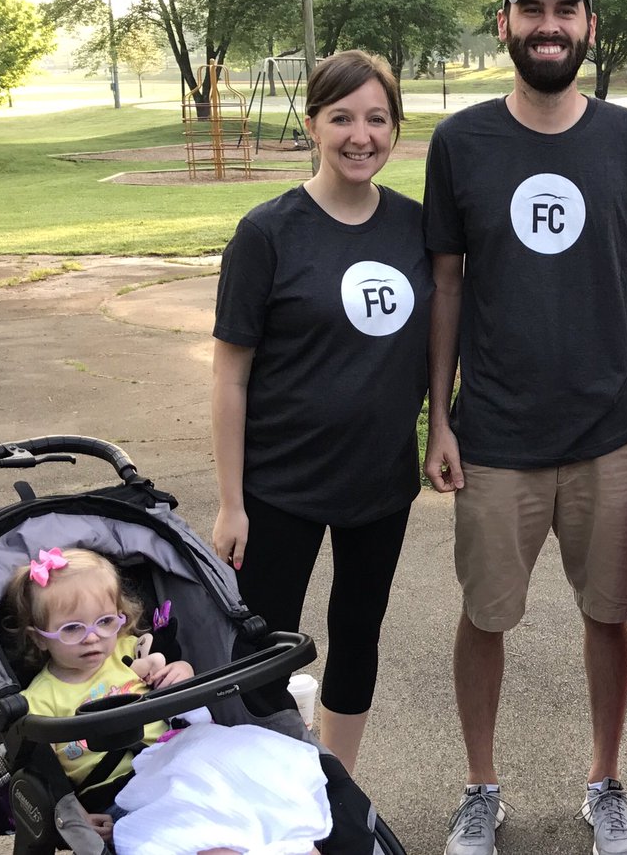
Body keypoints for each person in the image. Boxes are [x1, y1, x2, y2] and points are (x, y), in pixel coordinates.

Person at [422, 0, 627, 855]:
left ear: (589, 26)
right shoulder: (461, 142)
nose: (548, 26)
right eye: (530, 10)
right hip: (494, 437)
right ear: (504, 24)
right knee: (485, 616)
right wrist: (440, 416)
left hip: (605, 434)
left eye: (564, 10)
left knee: (609, 615)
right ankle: (480, 789)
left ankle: (603, 783)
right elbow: (447, 286)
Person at [211, 49, 431, 773]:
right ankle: (267, 792)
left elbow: (440, 339)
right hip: (280, 487)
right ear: (311, 125)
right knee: (261, 649)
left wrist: (441, 427)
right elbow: (231, 374)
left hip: (380, 482)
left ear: (395, 129)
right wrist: (231, 502)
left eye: (377, 119)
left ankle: (336, 786)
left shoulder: (415, 228)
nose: (360, 136)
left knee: (358, 635)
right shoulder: (267, 233)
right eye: (341, 118)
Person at [7, 547, 331, 853]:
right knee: (209, 838)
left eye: (105, 622)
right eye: (72, 629)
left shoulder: (130, 651)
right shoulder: (37, 701)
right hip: (122, 793)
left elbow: (180, 686)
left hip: (184, 758)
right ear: (39, 637)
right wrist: (76, 816)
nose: (92, 637)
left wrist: (181, 671)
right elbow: (45, 774)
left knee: (269, 806)